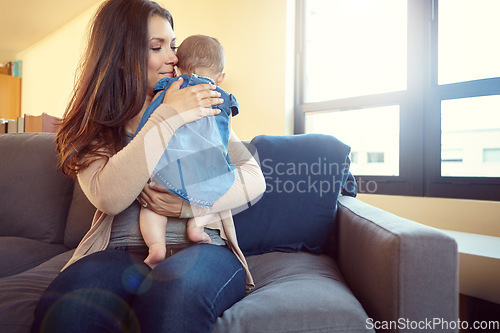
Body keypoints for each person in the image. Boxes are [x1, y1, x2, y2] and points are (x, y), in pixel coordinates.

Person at [31, 0, 266, 332]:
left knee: (174, 297)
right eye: (157, 47)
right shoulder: (96, 124)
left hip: (204, 247)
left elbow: (254, 178)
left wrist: (188, 205)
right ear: (122, 58)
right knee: (70, 309)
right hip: (121, 250)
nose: (174, 56)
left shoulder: (202, 102)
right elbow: (109, 198)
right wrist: (167, 116)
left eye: (173, 44)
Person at [137, 34, 240, 268]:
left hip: (166, 170)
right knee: (216, 186)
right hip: (204, 176)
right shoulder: (224, 99)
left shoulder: (169, 90)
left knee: (151, 208)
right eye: (156, 47)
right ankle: (196, 226)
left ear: (178, 69)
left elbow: (149, 126)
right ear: (221, 77)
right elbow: (224, 137)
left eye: (172, 48)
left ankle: (156, 246)